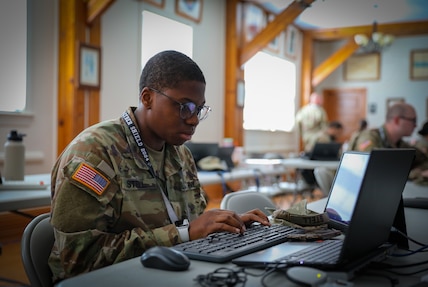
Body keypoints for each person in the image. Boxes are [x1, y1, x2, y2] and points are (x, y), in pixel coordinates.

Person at [48, 50, 270, 282]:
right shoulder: (95, 152)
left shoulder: (180, 155)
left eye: (199, 109)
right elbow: (78, 260)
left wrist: (227, 227)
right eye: (185, 106)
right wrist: (185, 234)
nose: (193, 120)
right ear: (147, 98)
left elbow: (188, 224)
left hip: (168, 275)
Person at [349, 102, 428, 184]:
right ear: (397, 120)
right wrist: (416, 174)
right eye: (413, 120)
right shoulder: (370, 138)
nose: (415, 125)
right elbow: (374, 171)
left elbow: (424, 161)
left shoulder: (399, 143)